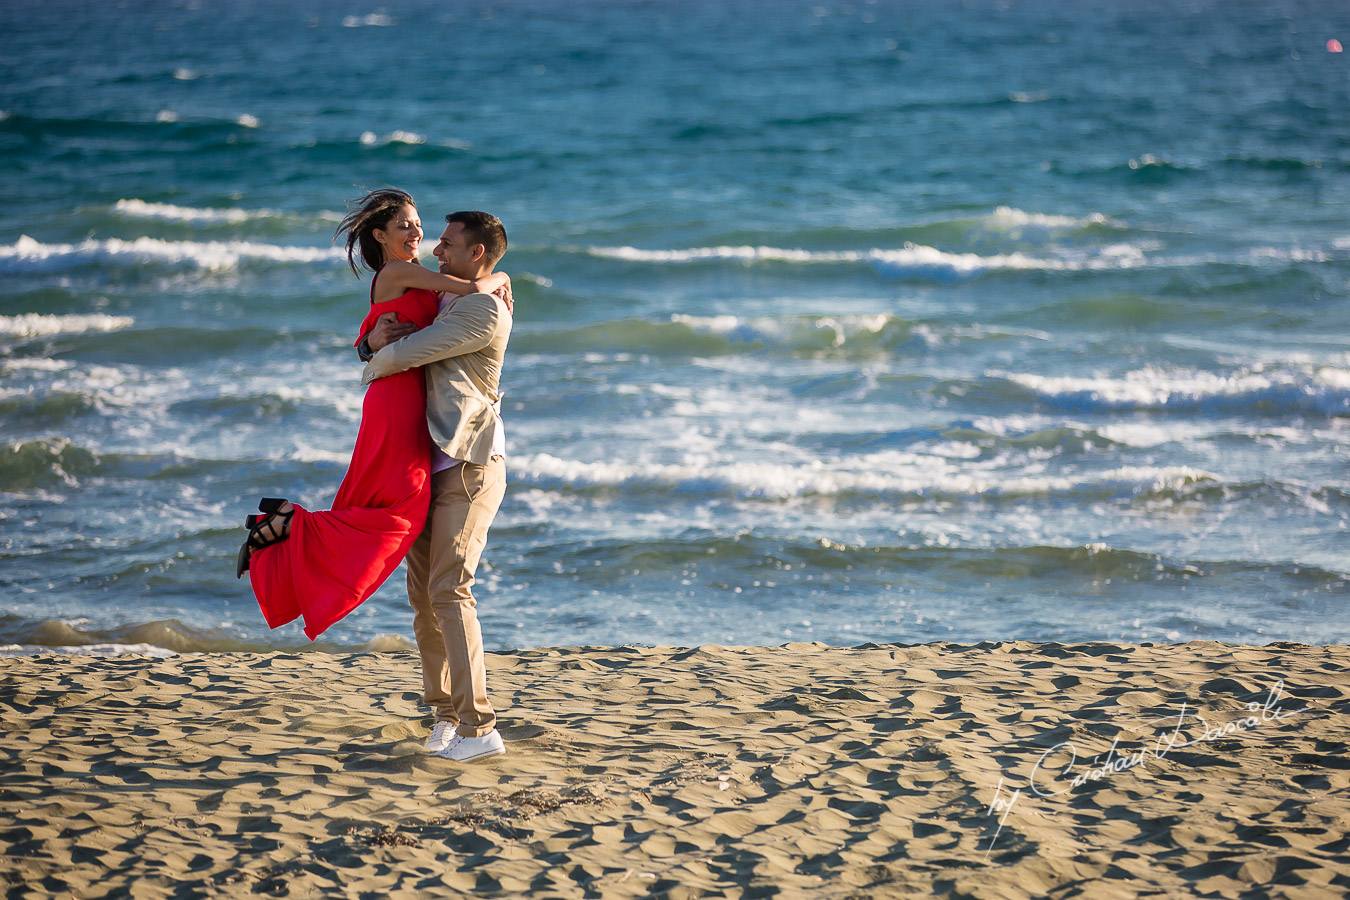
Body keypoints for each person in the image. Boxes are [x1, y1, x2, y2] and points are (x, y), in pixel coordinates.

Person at [236, 189, 508, 649]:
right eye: (405, 225)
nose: (417, 233)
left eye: (418, 223)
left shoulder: (413, 277)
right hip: (396, 400)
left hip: (409, 402)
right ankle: (292, 527)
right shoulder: (404, 271)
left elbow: (372, 330)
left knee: (388, 507)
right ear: (380, 235)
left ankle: (290, 525)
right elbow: (472, 288)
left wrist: (370, 342)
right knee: (398, 509)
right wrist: (500, 276)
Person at [358, 209, 513, 763]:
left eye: (446, 244)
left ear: (475, 254)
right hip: (426, 467)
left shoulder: (481, 310)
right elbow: (392, 324)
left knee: (451, 590)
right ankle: (445, 716)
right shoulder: (452, 295)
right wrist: (369, 339)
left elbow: (410, 352)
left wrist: (374, 359)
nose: (434, 249)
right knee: (424, 599)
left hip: (469, 467)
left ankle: (480, 729)